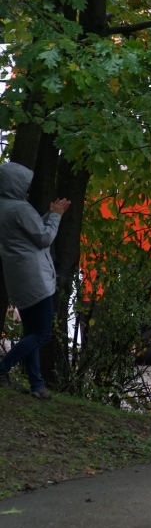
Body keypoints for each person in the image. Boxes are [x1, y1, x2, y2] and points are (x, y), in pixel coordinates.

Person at [0, 163, 70, 400]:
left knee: (31, 331)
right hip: (34, 278)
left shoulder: (4, 207)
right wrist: (56, 217)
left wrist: (49, 215)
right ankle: (2, 368)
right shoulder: (20, 208)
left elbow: (28, 230)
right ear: (17, 184)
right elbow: (44, 237)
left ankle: (37, 385)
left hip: (17, 277)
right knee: (42, 333)